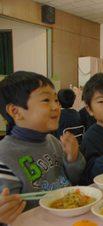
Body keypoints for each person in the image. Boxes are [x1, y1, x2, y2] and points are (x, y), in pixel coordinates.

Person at [0, 71, 85, 224]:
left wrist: (73, 158)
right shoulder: (4, 155)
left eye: (56, 100)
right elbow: (7, 212)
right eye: (46, 100)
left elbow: (73, 179)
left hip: (69, 216)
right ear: (15, 111)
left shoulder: (52, 140)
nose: (56, 107)